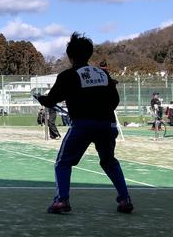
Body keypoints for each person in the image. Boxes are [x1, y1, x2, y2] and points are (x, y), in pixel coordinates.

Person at [37, 32, 133, 214]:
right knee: (109, 161)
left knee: (63, 163)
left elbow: (51, 100)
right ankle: (125, 199)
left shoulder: (68, 76)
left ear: (70, 56)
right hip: (107, 125)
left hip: (82, 126)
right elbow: (115, 100)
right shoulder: (104, 75)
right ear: (89, 54)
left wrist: (42, 99)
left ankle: (62, 200)